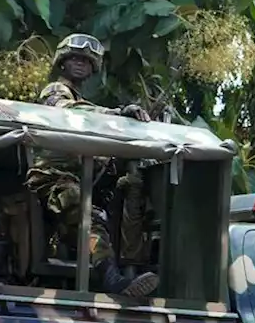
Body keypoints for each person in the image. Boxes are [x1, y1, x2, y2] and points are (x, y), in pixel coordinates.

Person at [24, 32, 158, 297]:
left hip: (76, 180)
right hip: (50, 178)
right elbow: (69, 112)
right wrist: (117, 114)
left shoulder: (85, 104)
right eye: (74, 58)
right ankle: (113, 281)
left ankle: (119, 271)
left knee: (122, 197)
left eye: (86, 61)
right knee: (89, 216)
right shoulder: (55, 91)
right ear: (61, 62)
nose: (80, 63)